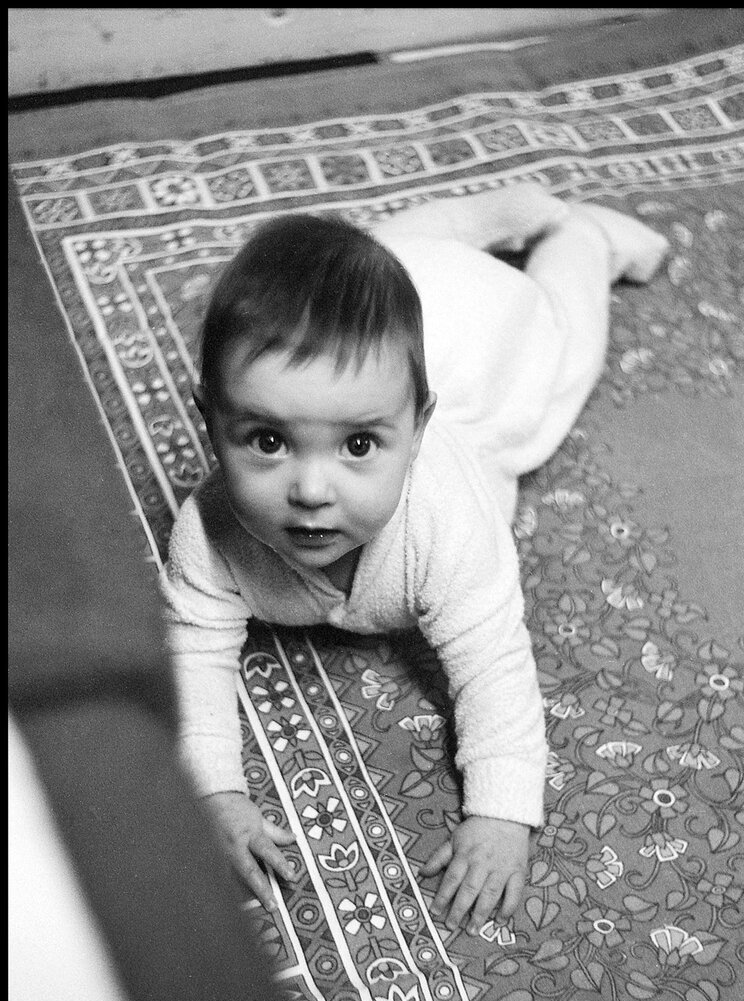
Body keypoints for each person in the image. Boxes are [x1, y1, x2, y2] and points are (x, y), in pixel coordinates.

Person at [159, 184, 668, 936]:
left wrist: (501, 811)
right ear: (210, 420)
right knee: (371, 273)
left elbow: (492, 662)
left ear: (416, 430)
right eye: (266, 440)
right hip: (398, 333)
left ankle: (581, 239)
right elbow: (193, 651)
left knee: (552, 369)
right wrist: (215, 791)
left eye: (358, 445)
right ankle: (454, 229)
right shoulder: (208, 532)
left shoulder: (447, 525)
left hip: (481, 339)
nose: (309, 490)